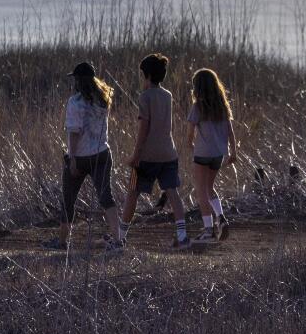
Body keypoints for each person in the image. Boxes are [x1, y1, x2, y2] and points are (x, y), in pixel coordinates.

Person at [45, 61, 122, 253]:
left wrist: (72, 159)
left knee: (68, 200)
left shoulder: (75, 102)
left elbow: (74, 133)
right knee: (106, 198)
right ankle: (119, 240)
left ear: (78, 81)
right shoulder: (103, 99)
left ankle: (62, 243)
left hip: (81, 157)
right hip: (102, 154)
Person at [119, 53, 191, 249]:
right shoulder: (167, 95)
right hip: (169, 153)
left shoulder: (145, 97)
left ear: (147, 75)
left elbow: (144, 128)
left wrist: (135, 155)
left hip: (147, 156)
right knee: (172, 192)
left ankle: (120, 236)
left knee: (132, 192)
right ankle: (183, 235)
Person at [186, 67, 238, 243]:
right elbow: (231, 132)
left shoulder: (198, 107)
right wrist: (233, 152)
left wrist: (191, 146)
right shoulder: (223, 106)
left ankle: (208, 231)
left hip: (202, 154)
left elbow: (190, 134)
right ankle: (221, 217)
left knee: (201, 190)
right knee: (210, 187)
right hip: (218, 154)